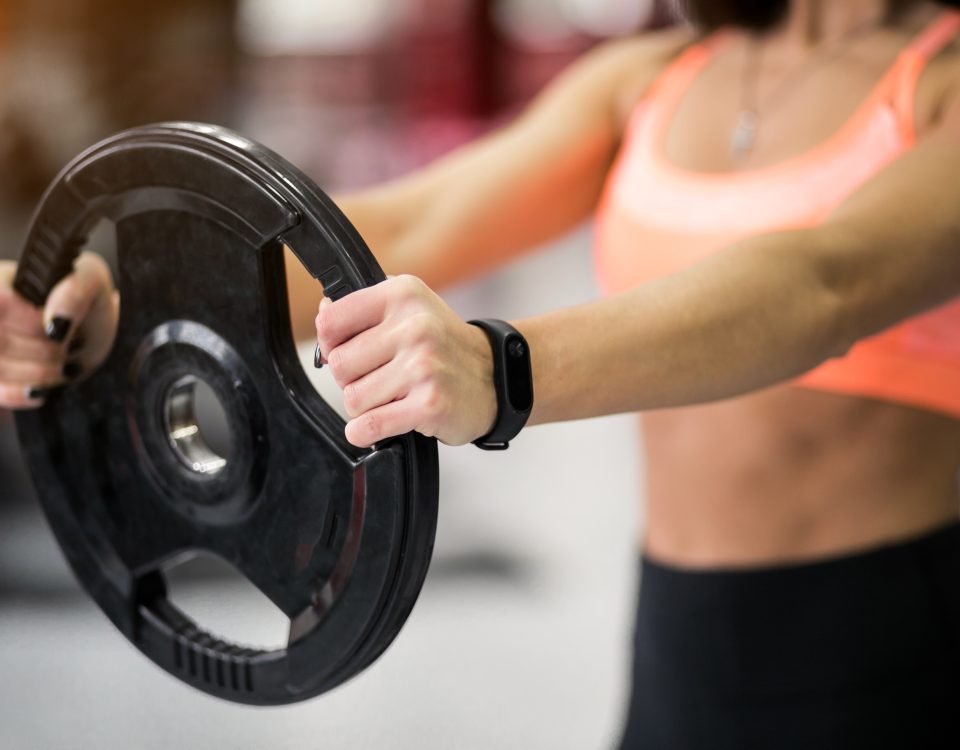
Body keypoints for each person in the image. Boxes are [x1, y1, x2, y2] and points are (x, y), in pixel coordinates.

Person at [2, 0, 959, 747]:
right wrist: (119, 309)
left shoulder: (941, 81)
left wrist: (502, 369)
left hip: (890, 643)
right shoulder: (655, 77)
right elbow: (410, 226)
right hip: (680, 642)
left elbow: (825, 280)